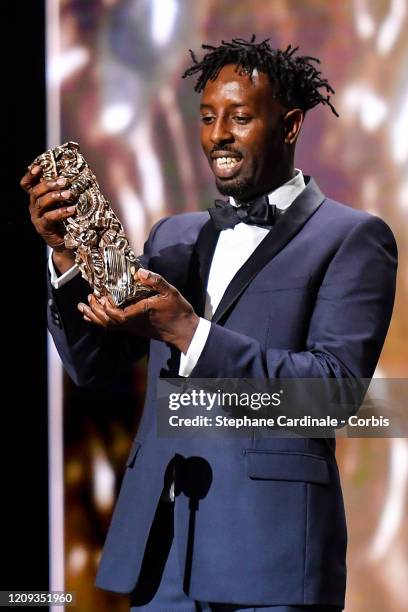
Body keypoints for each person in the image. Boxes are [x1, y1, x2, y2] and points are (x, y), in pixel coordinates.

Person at [21, 37, 397, 612]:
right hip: (161, 555)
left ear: (291, 126)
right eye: (206, 117)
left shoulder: (352, 238)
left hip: (269, 556)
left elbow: (335, 393)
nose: (217, 133)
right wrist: (68, 262)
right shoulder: (172, 237)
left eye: (240, 117)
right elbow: (94, 369)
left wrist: (191, 333)